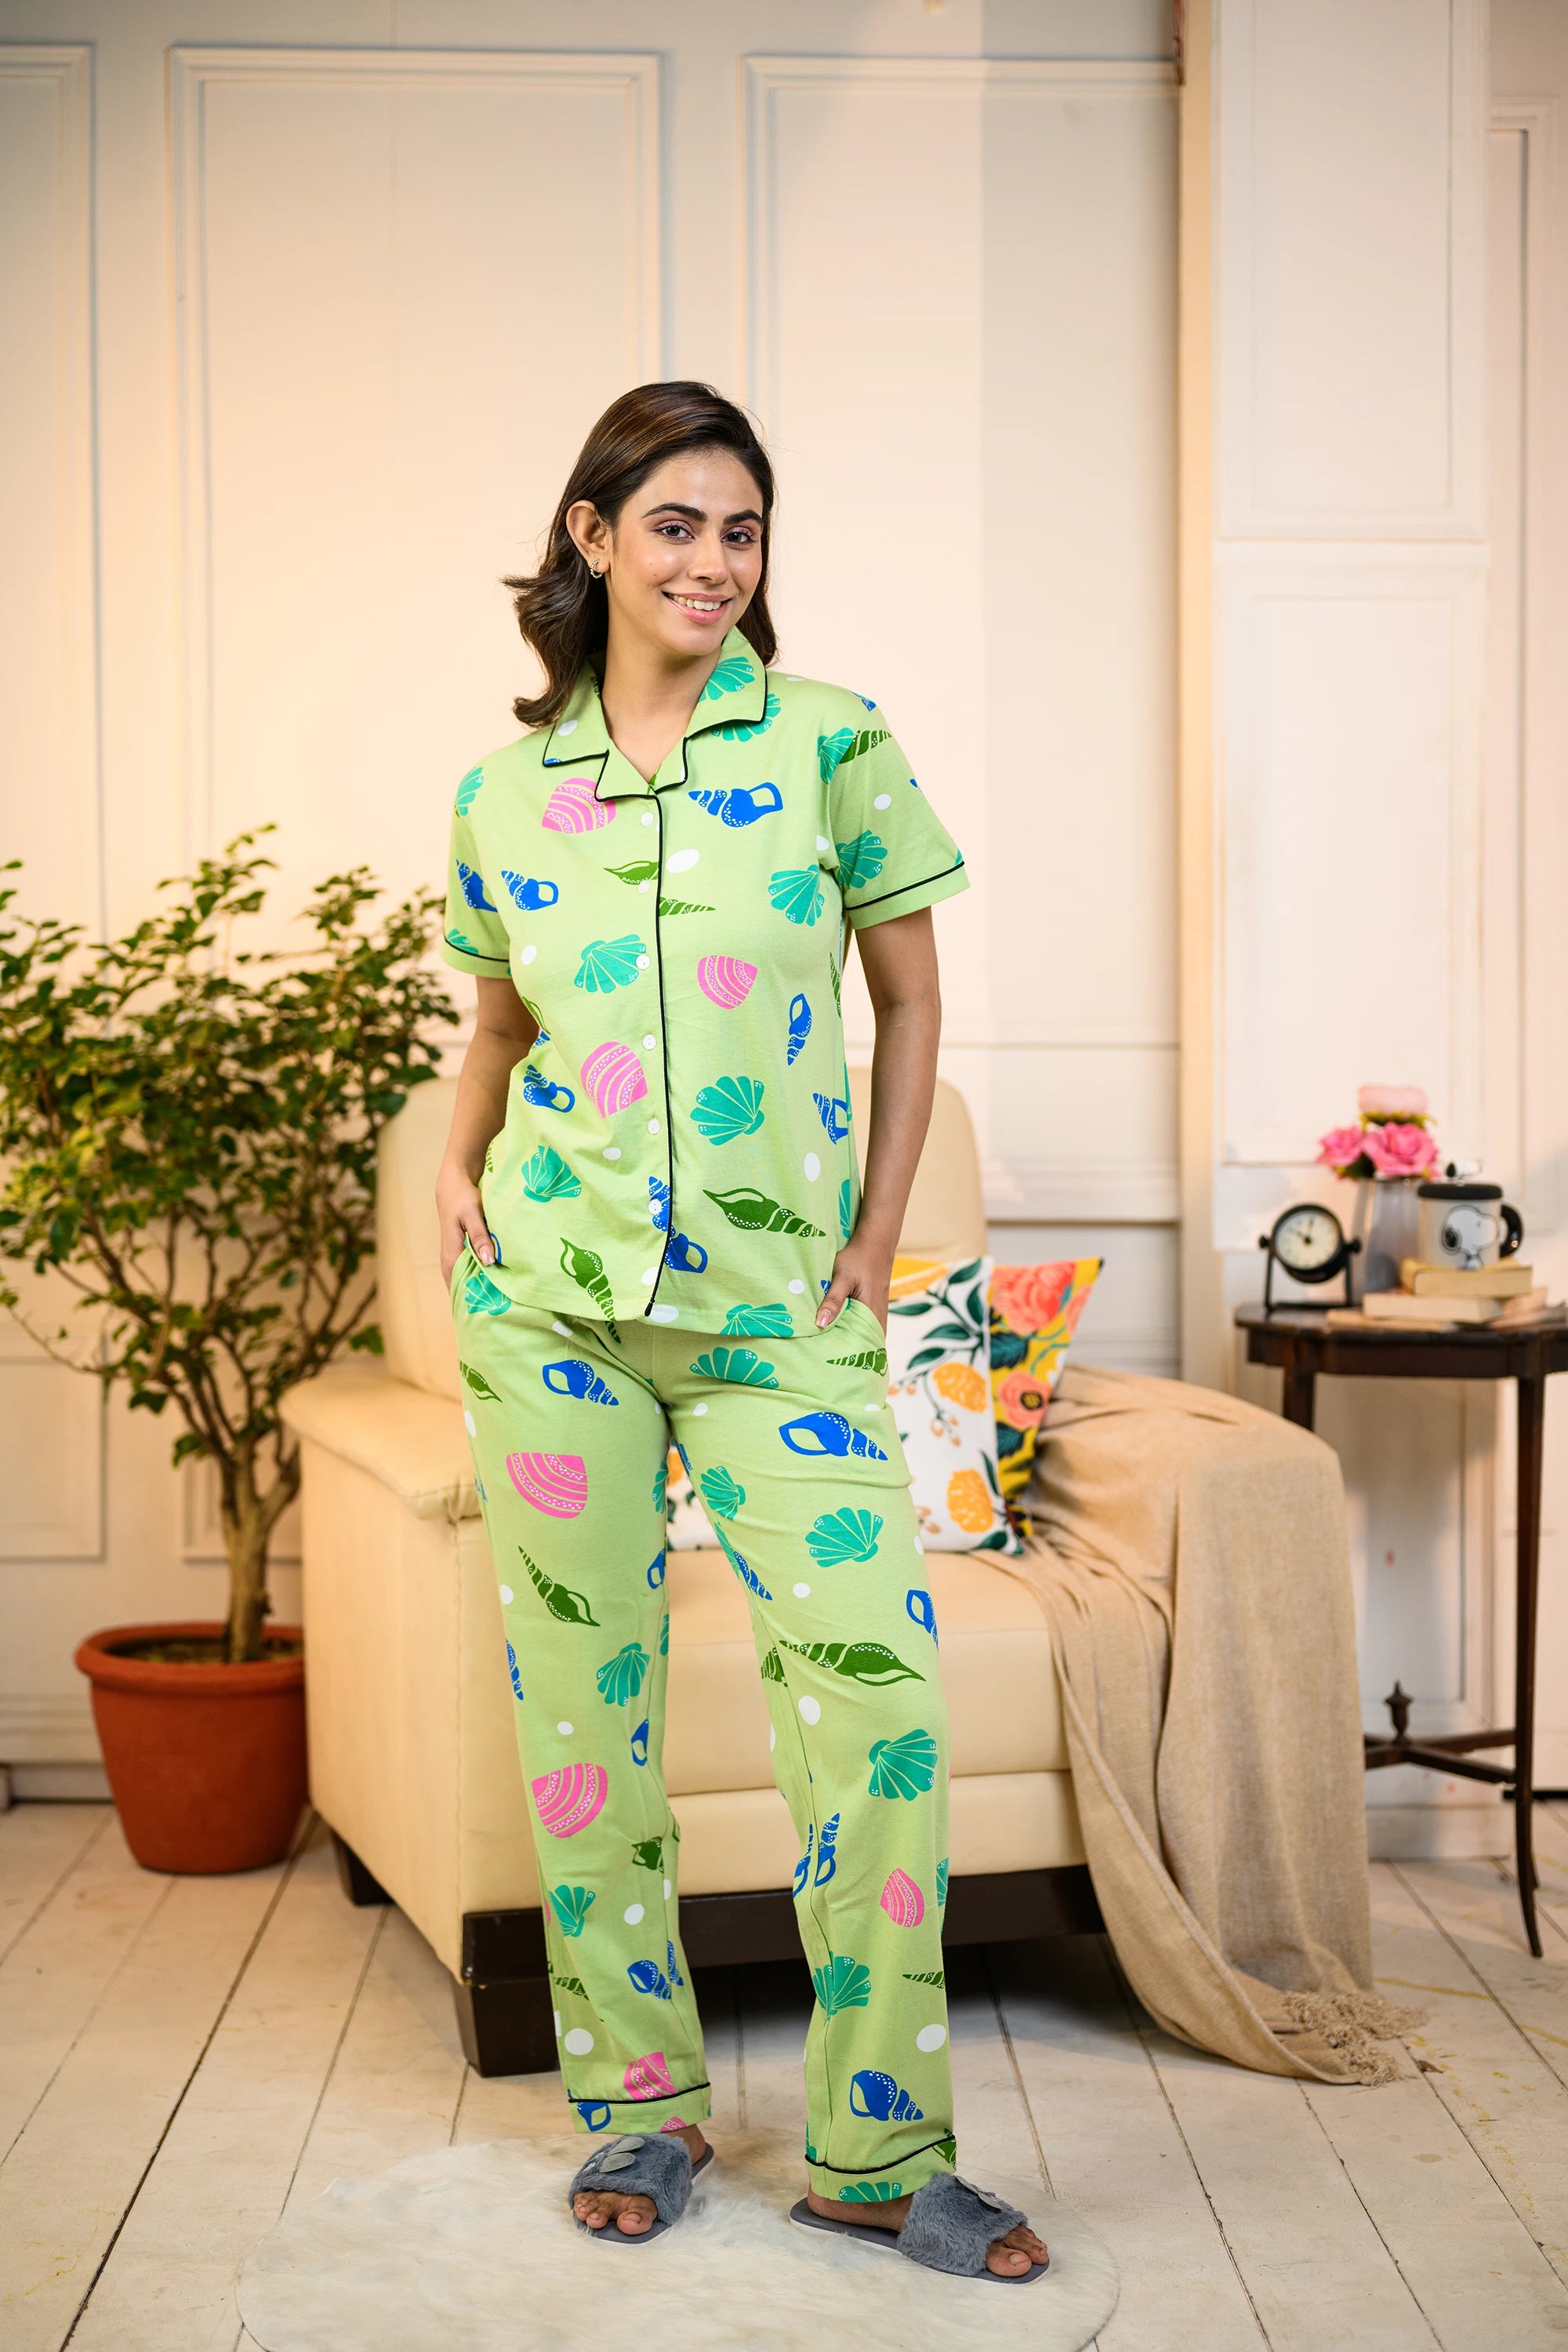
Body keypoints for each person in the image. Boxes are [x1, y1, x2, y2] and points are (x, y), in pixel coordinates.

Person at [435, 382, 1047, 2283]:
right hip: (551, 1310)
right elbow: (499, 1029)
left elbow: (909, 1006)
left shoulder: (832, 745)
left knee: (868, 1697)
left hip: (782, 1313)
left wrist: (875, 1233)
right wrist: (461, 1177)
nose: (714, 562)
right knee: (580, 1719)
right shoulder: (502, 790)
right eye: (679, 524)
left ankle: (881, 2150)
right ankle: (638, 2106)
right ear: (594, 537)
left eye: (745, 530)